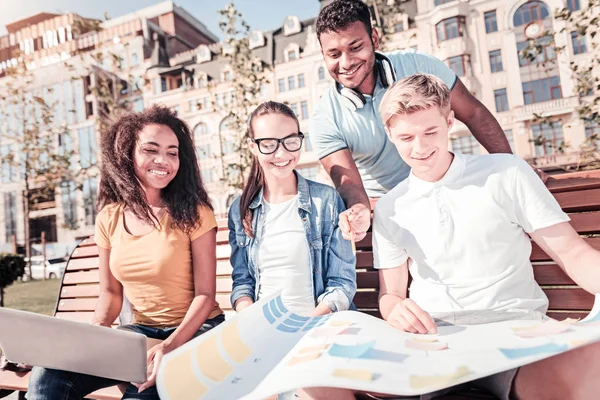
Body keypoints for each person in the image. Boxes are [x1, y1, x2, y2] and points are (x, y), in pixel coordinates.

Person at [367, 73, 600, 399]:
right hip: (435, 343)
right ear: (390, 133)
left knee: (590, 370)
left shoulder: (506, 173)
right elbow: (389, 294)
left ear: (450, 121)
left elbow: (573, 253)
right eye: (406, 137)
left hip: (516, 334)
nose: (419, 148)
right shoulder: (392, 207)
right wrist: (395, 310)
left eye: (430, 132)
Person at [27, 106, 225, 399]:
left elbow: (205, 296)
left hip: (194, 332)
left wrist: (168, 347)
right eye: (151, 150)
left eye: (173, 153)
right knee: (47, 379)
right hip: (139, 336)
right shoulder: (109, 217)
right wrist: (93, 337)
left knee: (141, 394)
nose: (163, 160)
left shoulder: (195, 214)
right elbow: (110, 294)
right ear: (127, 154)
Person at [310, 0, 540, 243]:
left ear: (374, 39)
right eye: (333, 54)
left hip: (446, 189)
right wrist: (359, 209)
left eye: (355, 47)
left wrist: (513, 168)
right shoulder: (324, 118)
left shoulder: (419, 65)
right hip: (390, 210)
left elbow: (474, 113)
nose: (345, 63)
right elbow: (350, 187)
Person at [228, 100, 357, 318]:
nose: (281, 154)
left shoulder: (325, 201)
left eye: (290, 141)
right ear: (253, 147)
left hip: (319, 325)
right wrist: (250, 319)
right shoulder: (240, 210)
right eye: (269, 144)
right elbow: (243, 283)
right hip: (263, 328)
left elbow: (342, 282)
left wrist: (308, 326)